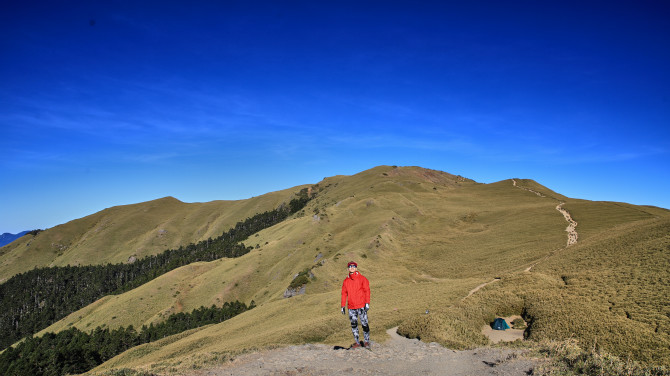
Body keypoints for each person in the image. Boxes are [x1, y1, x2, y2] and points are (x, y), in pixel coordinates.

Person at [341, 261, 371, 349]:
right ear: (348, 269)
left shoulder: (362, 278)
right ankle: (357, 342)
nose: (352, 267)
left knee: (364, 324)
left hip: (361, 306)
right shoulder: (346, 281)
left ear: (356, 268)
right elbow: (344, 293)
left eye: (354, 266)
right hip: (351, 307)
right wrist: (342, 306)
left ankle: (367, 341)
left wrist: (367, 303)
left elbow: (367, 291)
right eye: (350, 266)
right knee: (354, 325)